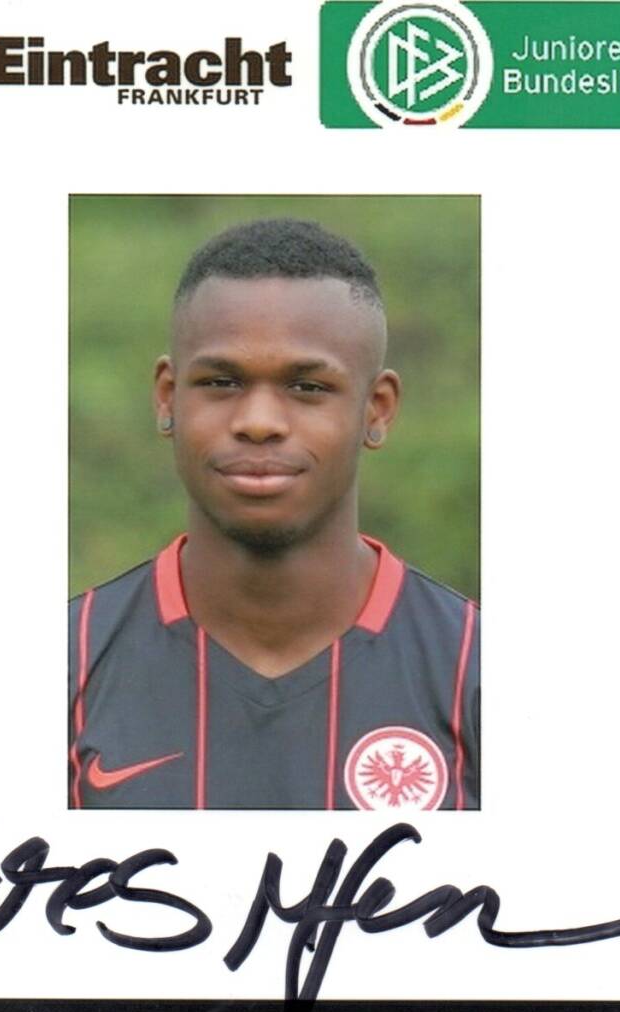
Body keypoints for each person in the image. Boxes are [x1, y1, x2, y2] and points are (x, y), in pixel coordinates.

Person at [69, 218, 479, 811]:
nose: (259, 421)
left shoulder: (479, 674)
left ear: (377, 409)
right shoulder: (63, 666)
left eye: (308, 388)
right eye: (221, 382)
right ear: (167, 397)